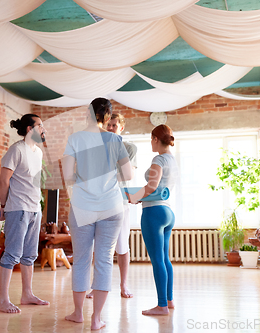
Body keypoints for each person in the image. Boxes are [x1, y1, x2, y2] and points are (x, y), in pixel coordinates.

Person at [63, 98, 133, 330]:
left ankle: (77, 313)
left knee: (81, 260)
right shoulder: (114, 139)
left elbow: (67, 175)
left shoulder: (74, 138)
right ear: (107, 116)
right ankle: (96, 319)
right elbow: (128, 175)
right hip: (111, 207)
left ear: (88, 114)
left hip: (82, 205)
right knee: (103, 260)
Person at [0, 114, 49, 313]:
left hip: (35, 209)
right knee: (12, 254)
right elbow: (3, 181)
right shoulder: (16, 150)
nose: (44, 130)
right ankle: (3, 300)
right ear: (29, 129)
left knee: (29, 255)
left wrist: (39, 208)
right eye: (40, 126)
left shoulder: (38, 153)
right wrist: (3, 205)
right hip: (17, 208)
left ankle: (27, 294)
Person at [127, 124, 178, 316]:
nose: (151, 142)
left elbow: (151, 186)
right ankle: (169, 300)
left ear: (156, 139)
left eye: (151, 139)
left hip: (154, 212)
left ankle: (161, 306)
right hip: (167, 212)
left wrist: (133, 196)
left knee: (157, 260)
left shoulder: (159, 159)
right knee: (164, 259)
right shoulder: (172, 160)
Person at [87, 113, 137, 299]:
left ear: (121, 128)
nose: (110, 128)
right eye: (108, 125)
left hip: (120, 203)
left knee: (122, 246)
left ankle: (124, 285)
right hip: (100, 203)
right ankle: (96, 286)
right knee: (98, 247)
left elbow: (126, 174)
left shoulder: (129, 148)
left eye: (114, 125)